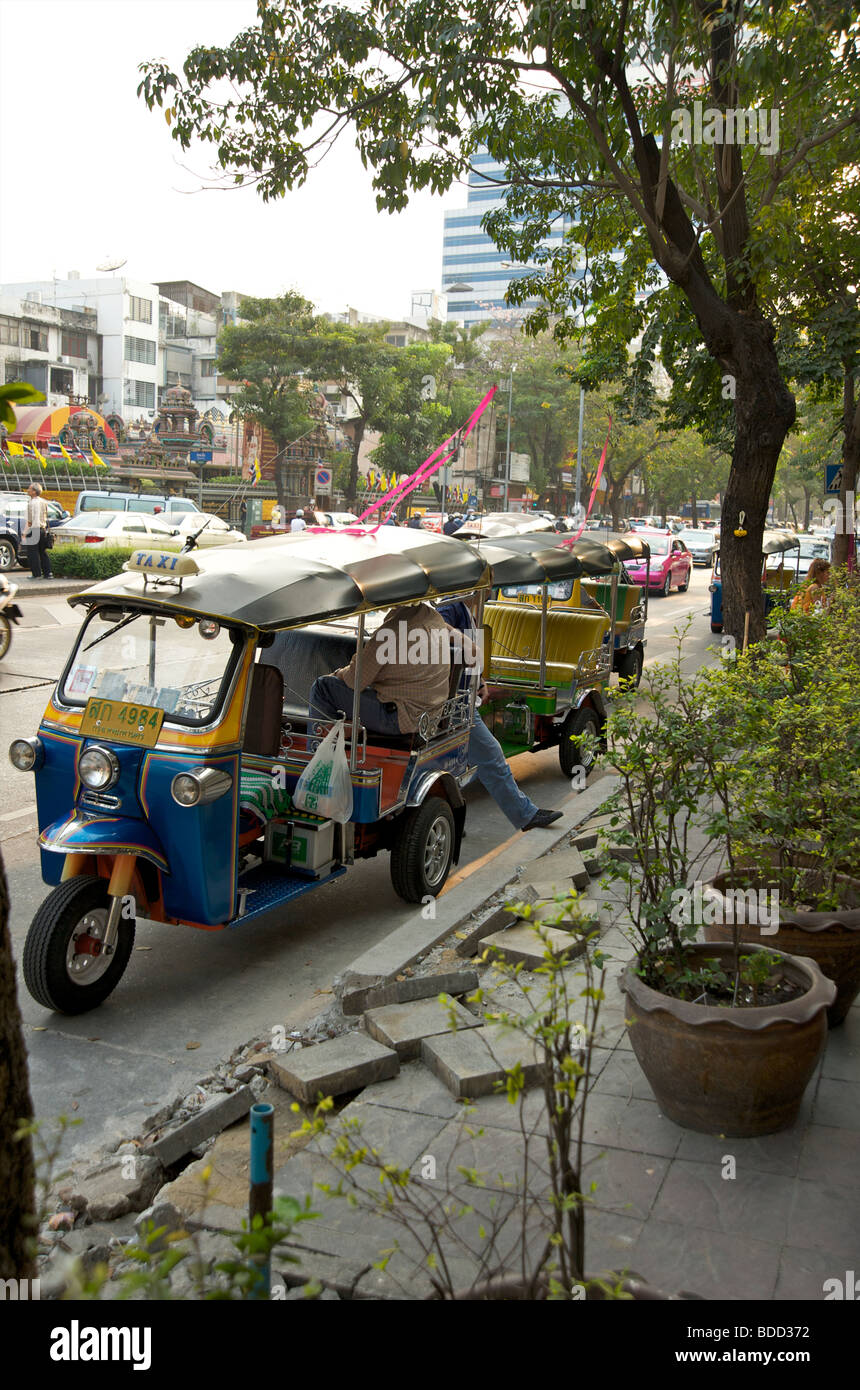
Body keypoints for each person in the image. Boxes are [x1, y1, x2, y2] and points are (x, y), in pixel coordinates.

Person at [437, 598, 563, 832]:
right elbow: (436, 626)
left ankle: (449, 819)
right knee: (491, 757)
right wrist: (463, 640)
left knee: (462, 767)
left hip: (463, 701)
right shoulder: (451, 605)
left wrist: (480, 681)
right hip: (455, 706)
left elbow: (467, 659)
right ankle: (525, 815)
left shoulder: (467, 609)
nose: (489, 588)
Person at [309, 602, 450, 737]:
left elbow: (354, 680)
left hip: (401, 717)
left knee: (323, 687)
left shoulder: (391, 632)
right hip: (431, 714)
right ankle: (344, 733)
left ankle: (317, 755)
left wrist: (337, 674)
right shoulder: (434, 618)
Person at [23, 483, 52, 580]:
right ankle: (48, 573)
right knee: (42, 552)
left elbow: (29, 521)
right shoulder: (44, 502)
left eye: (29, 489)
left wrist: (24, 533)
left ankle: (36, 574)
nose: (28, 490)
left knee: (32, 553)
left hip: (34, 530)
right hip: (42, 529)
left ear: (34, 492)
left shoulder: (31, 503)